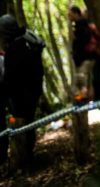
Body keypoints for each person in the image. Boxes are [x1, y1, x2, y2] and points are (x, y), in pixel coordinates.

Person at [0, 14, 45, 168]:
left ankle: (25, 161)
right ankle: (28, 157)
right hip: (34, 89)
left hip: (23, 94)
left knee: (22, 126)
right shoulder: (28, 39)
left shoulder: (15, 48)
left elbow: (10, 78)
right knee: (28, 123)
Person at [69, 5, 100, 102]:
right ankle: (96, 102)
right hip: (88, 58)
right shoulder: (80, 25)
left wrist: (77, 55)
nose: (68, 16)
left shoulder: (81, 25)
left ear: (76, 13)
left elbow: (83, 41)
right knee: (90, 82)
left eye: (70, 13)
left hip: (86, 59)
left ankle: (93, 104)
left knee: (84, 84)